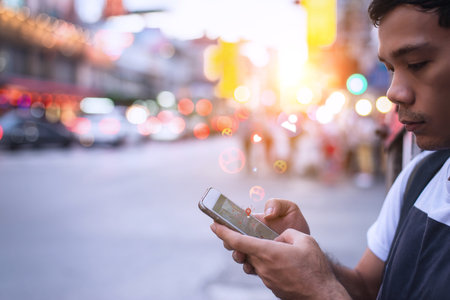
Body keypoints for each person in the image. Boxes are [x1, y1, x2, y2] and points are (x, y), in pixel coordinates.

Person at [210, 1, 450, 299]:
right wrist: (313, 265)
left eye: (416, 64)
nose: (393, 92)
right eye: (389, 69)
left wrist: (319, 293)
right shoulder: (421, 175)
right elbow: (366, 286)